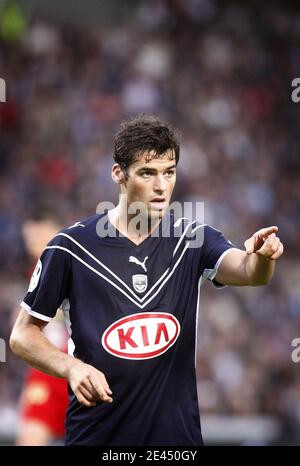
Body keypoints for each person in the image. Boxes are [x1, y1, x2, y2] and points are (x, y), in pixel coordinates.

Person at [10, 115, 284, 446]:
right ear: (118, 174)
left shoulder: (192, 240)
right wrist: (71, 368)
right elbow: (22, 335)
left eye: (169, 172)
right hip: (97, 439)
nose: (160, 186)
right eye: (147, 173)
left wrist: (262, 258)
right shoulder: (71, 248)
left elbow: (249, 273)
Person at [15, 207, 69, 445]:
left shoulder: (70, 266)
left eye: (38, 238)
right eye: (29, 240)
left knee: (31, 437)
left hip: (57, 367)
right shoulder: (36, 272)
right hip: (53, 366)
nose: (32, 246)